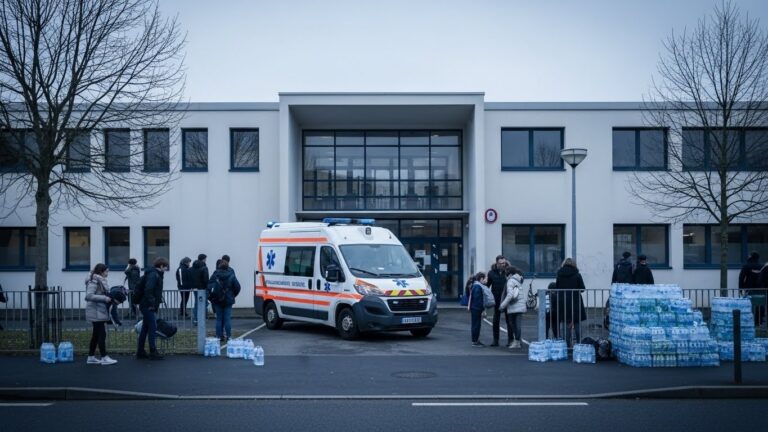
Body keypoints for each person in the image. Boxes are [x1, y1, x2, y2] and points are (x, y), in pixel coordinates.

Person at [85, 263, 118, 365]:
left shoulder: (98, 280)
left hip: (99, 310)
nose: (107, 273)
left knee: (96, 335)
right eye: (106, 271)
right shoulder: (94, 280)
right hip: (96, 311)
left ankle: (91, 357)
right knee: (101, 334)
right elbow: (89, 296)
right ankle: (104, 357)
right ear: (101, 271)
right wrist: (105, 298)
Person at [137, 257, 169, 360]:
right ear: (161, 266)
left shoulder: (154, 274)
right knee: (153, 328)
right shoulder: (153, 275)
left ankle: (140, 351)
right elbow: (148, 289)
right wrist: (152, 304)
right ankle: (153, 351)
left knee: (145, 328)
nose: (166, 269)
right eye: (165, 267)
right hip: (148, 305)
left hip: (146, 304)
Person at [553, 257, 586, 348]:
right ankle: (579, 344)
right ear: (573, 264)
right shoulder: (577, 275)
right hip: (575, 300)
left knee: (566, 322)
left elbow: (557, 287)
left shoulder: (559, 274)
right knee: (577, 322)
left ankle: (567, 345)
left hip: (563, 301)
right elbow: (582, 288)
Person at [209, 259, 241, 342]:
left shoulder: (215, 274)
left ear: (219, 266)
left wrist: (211, 297)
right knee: (227, 319)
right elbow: (237, 287)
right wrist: (232, 295)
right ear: (228, 266)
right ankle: (229, 336)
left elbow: (209, 287)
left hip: (217, 300)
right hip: (228, 300)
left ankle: (219, 336)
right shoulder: (231, 275)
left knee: (219, 319)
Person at [485, 255, 508, 347]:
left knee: (509, 320)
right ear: (497, 263)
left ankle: (510, 340)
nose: (503, 265)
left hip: (507, 299)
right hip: (496, 299)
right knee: (496, 320)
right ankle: (495, 340)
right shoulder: (491, 273)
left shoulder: (508, 272)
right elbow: (487, 286)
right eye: (501, 263)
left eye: (504, 263)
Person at [499, 267, 525, 348]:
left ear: (509, 274)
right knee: (518, 324)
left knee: (513, 324)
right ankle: (518, 341)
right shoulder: (518, 279)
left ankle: (517, 342)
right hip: (520, 305)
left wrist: (502, 305)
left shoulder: (510, 281)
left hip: (513, 306)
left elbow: (510, 295)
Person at [740, 252, 763, 326]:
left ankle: (749, 321)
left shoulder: (746, 266)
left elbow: (741, 278)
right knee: (760, 304)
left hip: (749, 288)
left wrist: (741, 288)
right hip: (760, 288)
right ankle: (759, 321)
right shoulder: (761, 266)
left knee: (749, 304)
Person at [190, 253, 210, 325]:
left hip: (195, 288)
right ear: (203, 259)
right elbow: (206, 279)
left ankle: (196, 319)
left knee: (196, 303)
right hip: (202, 288)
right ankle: (202, 318)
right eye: (205, 259)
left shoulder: (192, 267)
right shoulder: (204, 267)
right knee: (204, 303)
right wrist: (207, 287)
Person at [469, 272, 487, 347]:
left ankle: (476, 340)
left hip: (474, 308)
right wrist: (482, 309)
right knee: (476, 325)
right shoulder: (478, 286)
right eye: (485, 278)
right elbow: (477, 299)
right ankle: (475, 341)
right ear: (481, 278)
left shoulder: (475, 285)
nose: (486, 280)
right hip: (476, 308)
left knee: (476, 324)